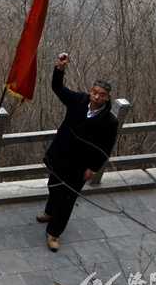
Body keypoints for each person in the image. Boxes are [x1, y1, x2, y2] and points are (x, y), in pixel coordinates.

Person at [39, 52, 118, 251]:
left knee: (68, 199)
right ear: (91, 91)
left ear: (108, 98)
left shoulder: (110, 121)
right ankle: (49, 211)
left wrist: (94, 168)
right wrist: (59, 69)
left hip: (80, 165)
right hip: (61, 155)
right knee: (54, 186)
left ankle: (54, 233)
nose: (97, 96)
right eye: (95, 92)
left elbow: (106, 147)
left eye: (102, 95)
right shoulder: (78, 100)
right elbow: (58, 88)